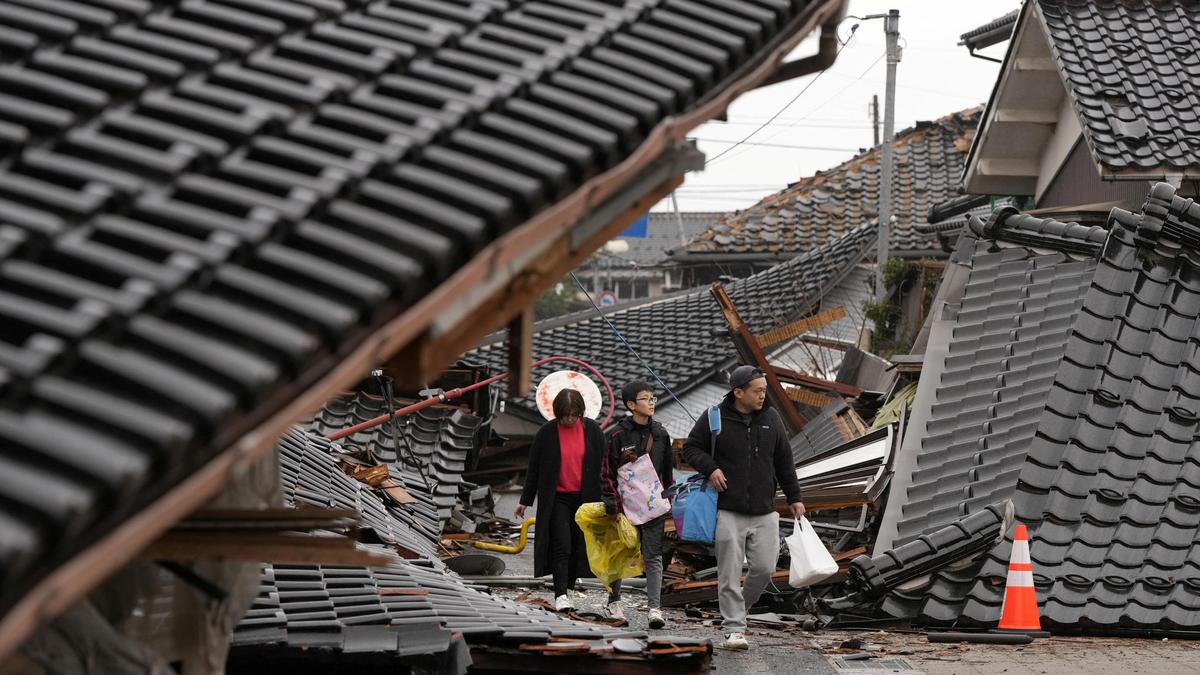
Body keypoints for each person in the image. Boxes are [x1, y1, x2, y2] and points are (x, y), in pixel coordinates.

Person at [682, 365, 805, 651]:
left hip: (765, 510)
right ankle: (734, 628)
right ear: (738, 393)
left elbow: (784, 462)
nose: (764, 395)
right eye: (757, 391)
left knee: (764, 568)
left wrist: (794, 497)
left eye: (765, 390)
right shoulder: (714, 417)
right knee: (728, 572)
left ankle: (739, 610)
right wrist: (711, 468)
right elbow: (691, 448)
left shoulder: (772, 419)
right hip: (729, 509)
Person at [516, 388, 606, 612]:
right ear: (557, 413)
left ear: (580, 413)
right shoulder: (546, 433)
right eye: (565, 415)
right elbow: (534, 469)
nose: (569, 420)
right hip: (558, 498)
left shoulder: (592, 431)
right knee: (561, 545)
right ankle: (561, 594)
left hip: (585, 499)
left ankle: (570, 587)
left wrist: (609, 498)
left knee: (578, 545)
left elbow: (605, 467)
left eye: (573, 415)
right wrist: (525, 500)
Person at [599, 381, 673, 629]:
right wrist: (612, 505)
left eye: (653, 397)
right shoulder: (619, 435)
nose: (652, 402)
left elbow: (667, 472)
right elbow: (607, 472)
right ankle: (614, 602)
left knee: (653, 557)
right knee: (620, 554)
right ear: (631, 405)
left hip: (653, 507)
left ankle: (654, 608)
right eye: (645, 398)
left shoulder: (661, 433)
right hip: (624, 508)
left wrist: (668, 498)